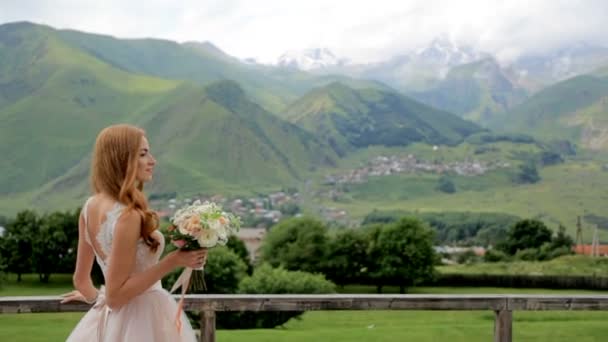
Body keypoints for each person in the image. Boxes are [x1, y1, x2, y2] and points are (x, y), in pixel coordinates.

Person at [61, 124, 206, 341]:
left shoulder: (89, 207)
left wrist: (96, 298)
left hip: (110, 322)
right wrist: (173, 260)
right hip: (144, 320)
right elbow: (116, 297)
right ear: (122, 159)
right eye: (143, 154)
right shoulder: (128, 216)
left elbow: (81, 280)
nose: (152, 161)